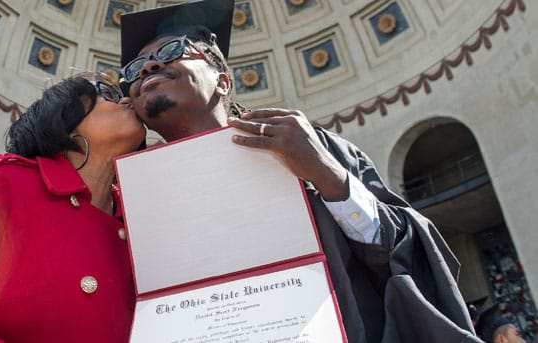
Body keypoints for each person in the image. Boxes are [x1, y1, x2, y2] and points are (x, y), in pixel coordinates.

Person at [119, 0, 481, 342]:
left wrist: (328, 177)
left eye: (170, 52)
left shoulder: (308, 146)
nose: (149, 67)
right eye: (135, 70)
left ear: (223, 81)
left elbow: (407, 253)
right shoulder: (135, 200)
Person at [0, 72, 145, 342]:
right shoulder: (1, 182)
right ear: (64, 116)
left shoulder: (141, 221)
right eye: (109, 93)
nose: (127, 100)